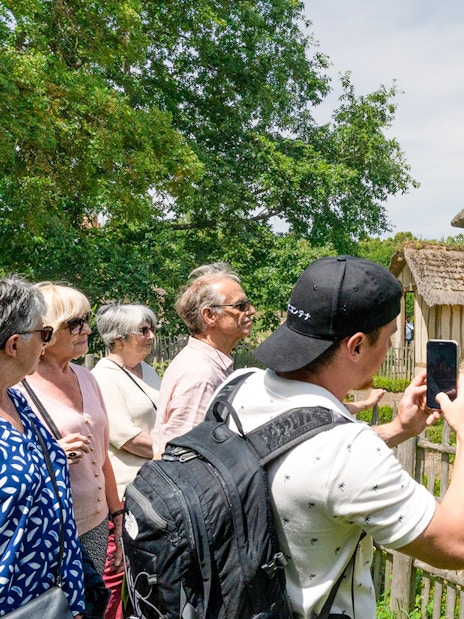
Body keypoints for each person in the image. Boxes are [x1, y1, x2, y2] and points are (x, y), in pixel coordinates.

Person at [211, 255, 464, 619]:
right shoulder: (348, 452)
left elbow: (298, 452)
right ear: (357, 346)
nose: (391, 349)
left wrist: (398, 430)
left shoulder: (236, 386)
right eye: (390, 338)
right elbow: (454, 543)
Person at [18, 282, 123, 584]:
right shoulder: (17, 387)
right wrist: (50, 455)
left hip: (98, 523)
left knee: (95, 603)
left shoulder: (86, 377)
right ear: (46, 332)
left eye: (87, 320)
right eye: (75, 324)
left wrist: (116, 515)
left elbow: (103, 456)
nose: (87, 330)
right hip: (54, 530)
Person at [0, 275, 85, 617]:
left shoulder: (17, 399)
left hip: (52, 600)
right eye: (44, 334)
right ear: (14, 344)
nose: (45, 344)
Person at [92, 303, 161, 619]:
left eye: (152, 329)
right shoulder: (103, 377)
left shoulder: (148, 370)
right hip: (124, 494)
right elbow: (127, 437)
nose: (151, 336)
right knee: (117, 576)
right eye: (143, 330)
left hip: (154, 485)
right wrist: (173, 451)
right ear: (117, 339)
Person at [152, 262, 255, 455]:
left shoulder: (209, 363)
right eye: (240, 305)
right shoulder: (201, 375)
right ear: (209, 315)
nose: (251, 311)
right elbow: (180, 456)